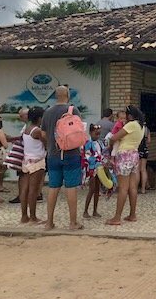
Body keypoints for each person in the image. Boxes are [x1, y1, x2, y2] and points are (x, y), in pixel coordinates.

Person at [41, 86, 84, 231]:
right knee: (71, 187)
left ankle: (49, 222)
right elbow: (79, 130)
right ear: (68, 95)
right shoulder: (73, 110)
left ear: (55, 96)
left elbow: (43, 133)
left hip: (53, 154)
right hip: (71, 154)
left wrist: (52, 144)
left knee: (53, 187)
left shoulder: (48, 112)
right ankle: (73, 223)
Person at [106, 105, 144, 225]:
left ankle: (117, 217)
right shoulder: (141, 126)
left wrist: (111, 145)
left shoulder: (131, 125)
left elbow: (114, 137)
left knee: (123, 188)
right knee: (132, 187)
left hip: (124, 156)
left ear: (130, 115)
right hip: (134, 155)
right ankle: (132, 214)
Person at [19, 107, 46, 224]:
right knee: (33, 190)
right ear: (40, 118)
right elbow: (47, 143)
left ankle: (24, 216)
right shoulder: (37, 131)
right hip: (37, 161)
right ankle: (33, 217)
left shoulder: (26, 129)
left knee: (24, 189)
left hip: (26, 160)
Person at [83, 124, 104, 219]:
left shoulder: (99, 143)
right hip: (92, 168)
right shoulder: (88, 143)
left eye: (99, 134)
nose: (98, 136)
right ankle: (85, 211)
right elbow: (87, 156)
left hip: (99, 167)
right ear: (91, 133)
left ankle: (95, 210)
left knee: (97, 190)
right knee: (91, 189)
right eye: (96, 134)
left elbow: (102, 152)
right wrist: (97, 159)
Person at [138, 121, 152, 193]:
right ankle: (143, 189)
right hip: (145, 149)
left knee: (137, 170)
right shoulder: (146, 129)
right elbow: (149, 141)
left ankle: (135, 188)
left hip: (137, 149)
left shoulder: (136, 128)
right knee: (143, 169)